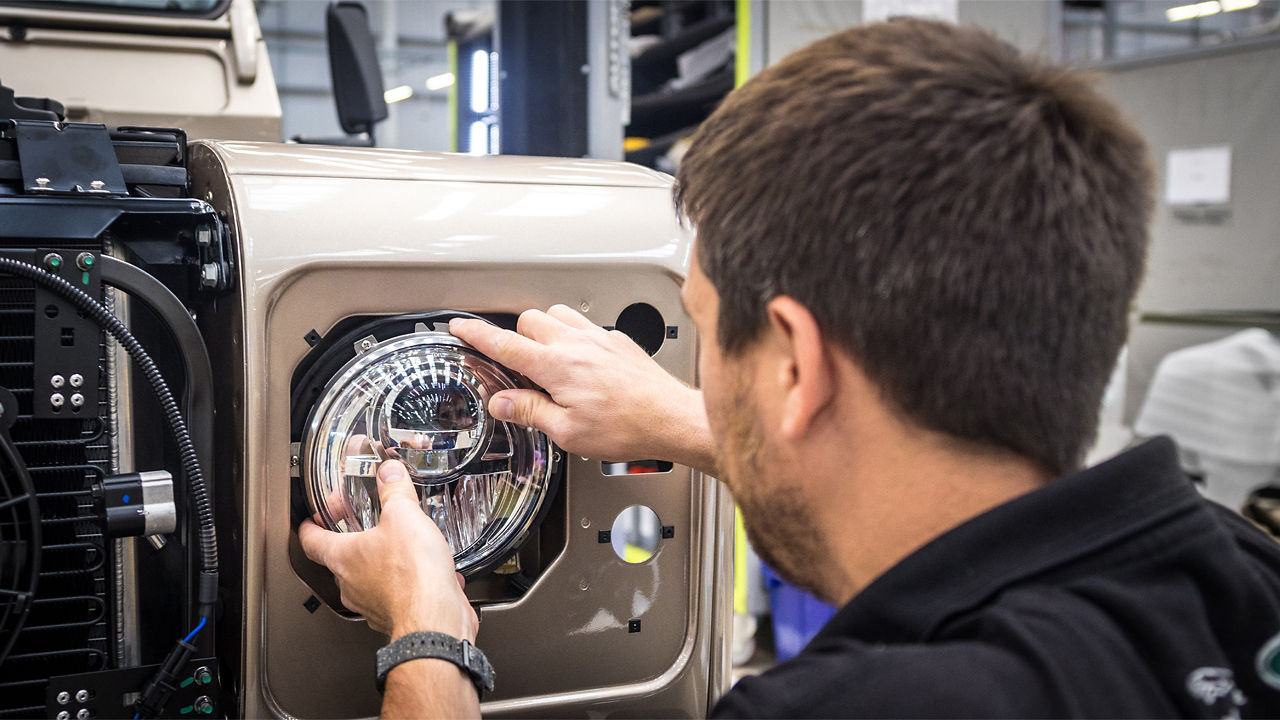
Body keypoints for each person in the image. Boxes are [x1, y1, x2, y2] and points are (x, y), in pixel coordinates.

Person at [298, 17, 1280, 718]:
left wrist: (425, 629)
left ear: (797, 365)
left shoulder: (859, 702)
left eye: (703, 331)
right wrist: (692, 421)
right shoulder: (1235, 572)